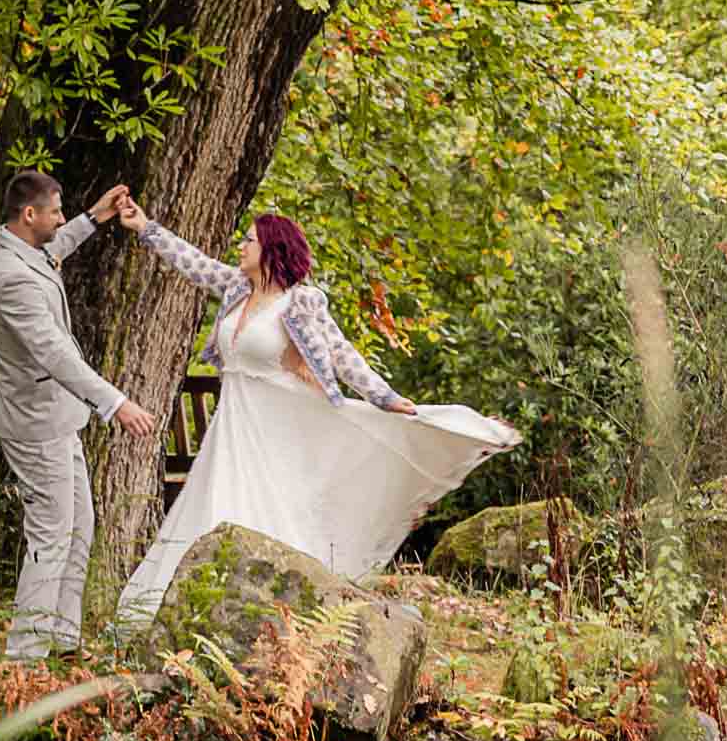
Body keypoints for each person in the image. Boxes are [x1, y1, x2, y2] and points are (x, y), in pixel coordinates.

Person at [110, 202, 521, 636]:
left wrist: (384, 396)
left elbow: (342, 353)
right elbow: (192, 263)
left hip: (280, 427)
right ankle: (189, 615)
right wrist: (145, 227)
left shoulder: (300, 302)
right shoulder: (235, 289)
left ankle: (276, 618)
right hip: (232, 427)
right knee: (214, 501)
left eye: (249, 239)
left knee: (266, 510)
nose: (241, 246)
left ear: (271, 248)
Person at [0, 170, 157, 661]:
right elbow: (55, 355)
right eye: (55, 211)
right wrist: (116, 403)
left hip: (58, 418)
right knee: (52, 536)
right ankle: (25, 656)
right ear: (29, 214)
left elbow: (54, 251)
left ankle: (61, 641)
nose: (61, 218)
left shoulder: (17, 247)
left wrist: (94, 218)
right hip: (34, 424)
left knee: (80, 526)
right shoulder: (9, 275)